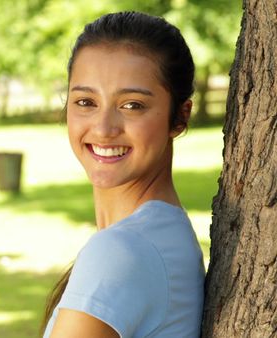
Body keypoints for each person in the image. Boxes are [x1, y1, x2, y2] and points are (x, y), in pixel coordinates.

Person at [40, 11, 205, 338]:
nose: (103, 129)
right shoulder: (162, 234)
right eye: (86, 101)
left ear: (179, 117)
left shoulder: (124, 251)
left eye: (132, 105)